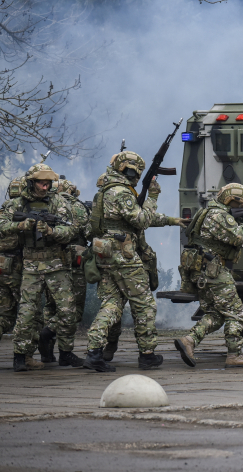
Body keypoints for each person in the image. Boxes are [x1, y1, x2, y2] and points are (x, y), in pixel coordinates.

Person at [83, 151, 185, 372]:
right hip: (123, 255)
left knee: (112, 304)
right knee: (144, 304)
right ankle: (147, 354)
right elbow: (141, 219)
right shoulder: (121, 192)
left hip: (107, 255)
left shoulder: (108, 190)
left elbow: (132, 218)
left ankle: (94, 351)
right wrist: (154, 197)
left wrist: (170, 220)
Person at [0, 164, 82, 372]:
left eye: (48, 183)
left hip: (56, 264)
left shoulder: (58, 201)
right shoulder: (17, 204)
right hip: (31, 265)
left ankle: (66, 353)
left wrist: (51, 231)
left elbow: (70, 231)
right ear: (32, 182)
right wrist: (20, 226)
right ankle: (20, 356)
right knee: (27, 313)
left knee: (68, 310)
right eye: (42, 183)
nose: (45, 187)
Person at [173, 183, 243, 369]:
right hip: (214, 271)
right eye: (239, 203)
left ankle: (189, 341)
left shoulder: (210, 212)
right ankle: (234, 355)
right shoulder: (219, 216)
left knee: (216, 314)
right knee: (236, 313)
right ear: (229, 199)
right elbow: (240, 237)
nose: (242, 207)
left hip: (204, 270)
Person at [0, 177, 43, 371]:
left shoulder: (1, 213)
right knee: (32, 314)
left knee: (4, 315)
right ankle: (27, 355)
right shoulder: (25, 214)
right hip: (18, 268)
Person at [39, 177, 91, 363]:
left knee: (51, 306)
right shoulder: (74, 205)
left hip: (49, 262)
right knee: (72, 309)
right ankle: (62, 348)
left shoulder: (45, 204)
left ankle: (47, 352)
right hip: (73, 263)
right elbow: (88, 231)